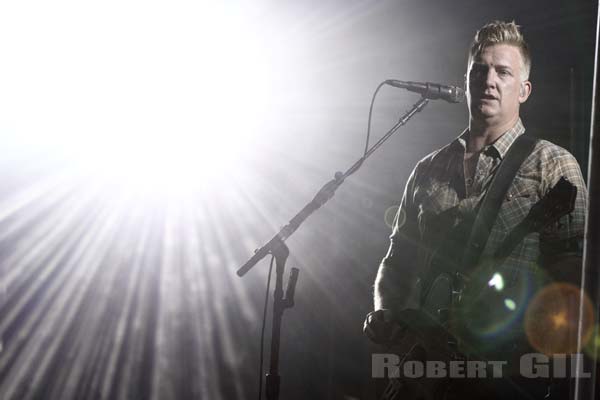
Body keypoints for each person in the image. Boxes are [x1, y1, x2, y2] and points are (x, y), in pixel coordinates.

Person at [364, 21, 587, 399]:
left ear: (524, 90)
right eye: (479, 70)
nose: (489, 80)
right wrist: (387, 314)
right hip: (425, 374)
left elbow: (574, 274)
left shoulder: (553, 165)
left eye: (503, 72)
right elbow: (396, 261)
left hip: (502, 372)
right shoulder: (428, 169)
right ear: (465, 80)